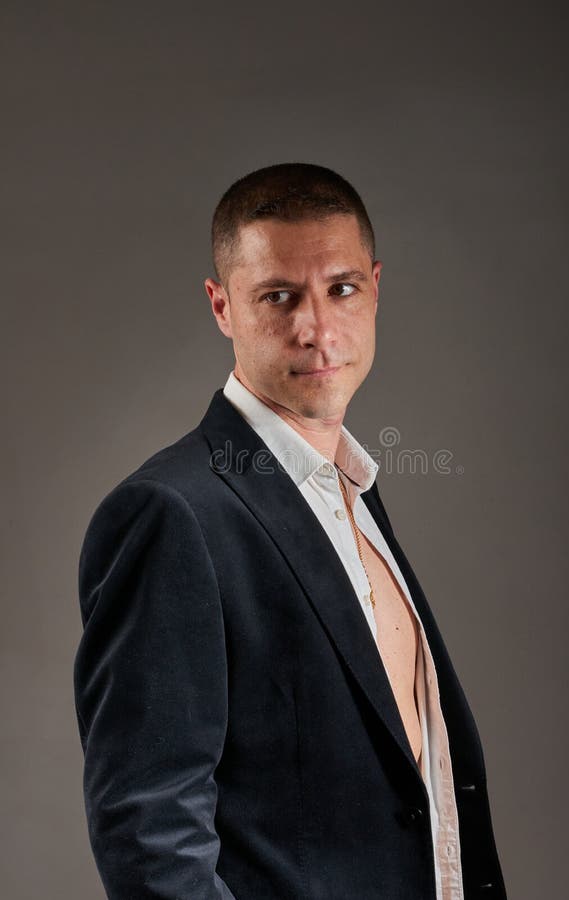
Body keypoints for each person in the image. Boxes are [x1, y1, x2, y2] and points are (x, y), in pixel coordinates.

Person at [74, 162, 507, 899]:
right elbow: (148, 832)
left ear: (375, 288)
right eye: (278, 296)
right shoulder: (171, 514)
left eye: (341, 289)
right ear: (222, 306)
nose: (317, 330)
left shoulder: (351, 492)